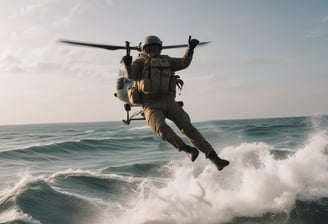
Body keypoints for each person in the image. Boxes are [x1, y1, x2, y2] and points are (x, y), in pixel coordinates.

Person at [122, 35, 229, 171]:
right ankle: (186, 149)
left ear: (160, 48)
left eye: (156, 47)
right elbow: (131, 75)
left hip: (169, 101)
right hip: (151, 104)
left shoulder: (166, 60)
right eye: (150, 48)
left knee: (188, 127)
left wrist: (190, 49)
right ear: (145, 49)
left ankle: (215, 158)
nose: (153, 50)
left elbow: (183, 63)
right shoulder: (139, 62)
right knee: (161, 127)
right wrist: (127, 64)